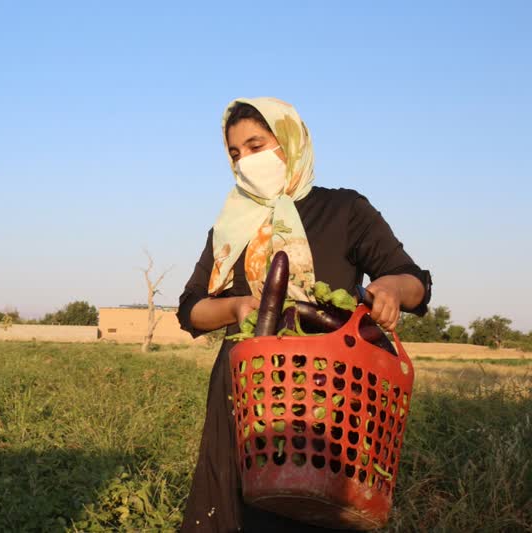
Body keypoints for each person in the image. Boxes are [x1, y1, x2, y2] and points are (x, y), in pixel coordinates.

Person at [177, 97, 432, 532]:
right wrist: (237, 307)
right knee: (245, 509)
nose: (245, 162)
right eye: (235, 153)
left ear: (290, 142)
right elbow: (191, 309)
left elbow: (413, 279)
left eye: (257, 145)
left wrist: (390, 288)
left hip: (331, 385)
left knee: (320, 504)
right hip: (248, 391)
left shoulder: (345, 210)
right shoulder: (232, 227)